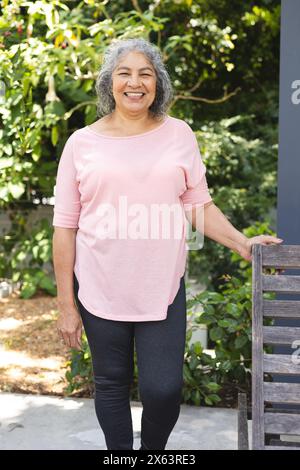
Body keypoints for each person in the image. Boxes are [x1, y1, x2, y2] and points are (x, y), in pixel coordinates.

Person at [52, 37, 282, 451]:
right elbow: (64, 227)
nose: (135, 82)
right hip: (99, 288)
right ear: (109, 82)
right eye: (124, 73)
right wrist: (67, 306)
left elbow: (197, 205)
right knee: (110, 385)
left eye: (145, 73)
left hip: (161, 287)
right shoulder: (81, 143)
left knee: (163, 390)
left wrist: (243, 244)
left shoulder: (179, 134)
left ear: (158, 84)